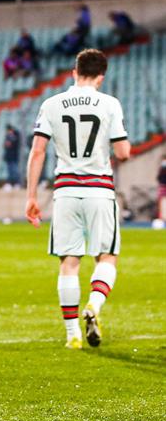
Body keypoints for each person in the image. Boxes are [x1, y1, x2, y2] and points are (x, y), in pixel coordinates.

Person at [25, 49, 131, 350]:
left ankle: (72, 335)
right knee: (106, 256)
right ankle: (94, 305)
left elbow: (38, 151)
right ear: (101, 77)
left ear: (74, 72)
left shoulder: (52, 104)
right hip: (99, 190)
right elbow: (122, 152)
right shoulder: (109, 104)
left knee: (69, 262)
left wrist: (31, 196)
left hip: (66, 191)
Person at [3, 125, 21, 189]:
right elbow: (5, 146)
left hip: (14, 156)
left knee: (15, 170)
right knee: (10, 171)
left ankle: (17, 183)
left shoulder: (15, 135)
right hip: (9, 157)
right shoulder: (7, 136)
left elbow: (14, 143)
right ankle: (10, 183)